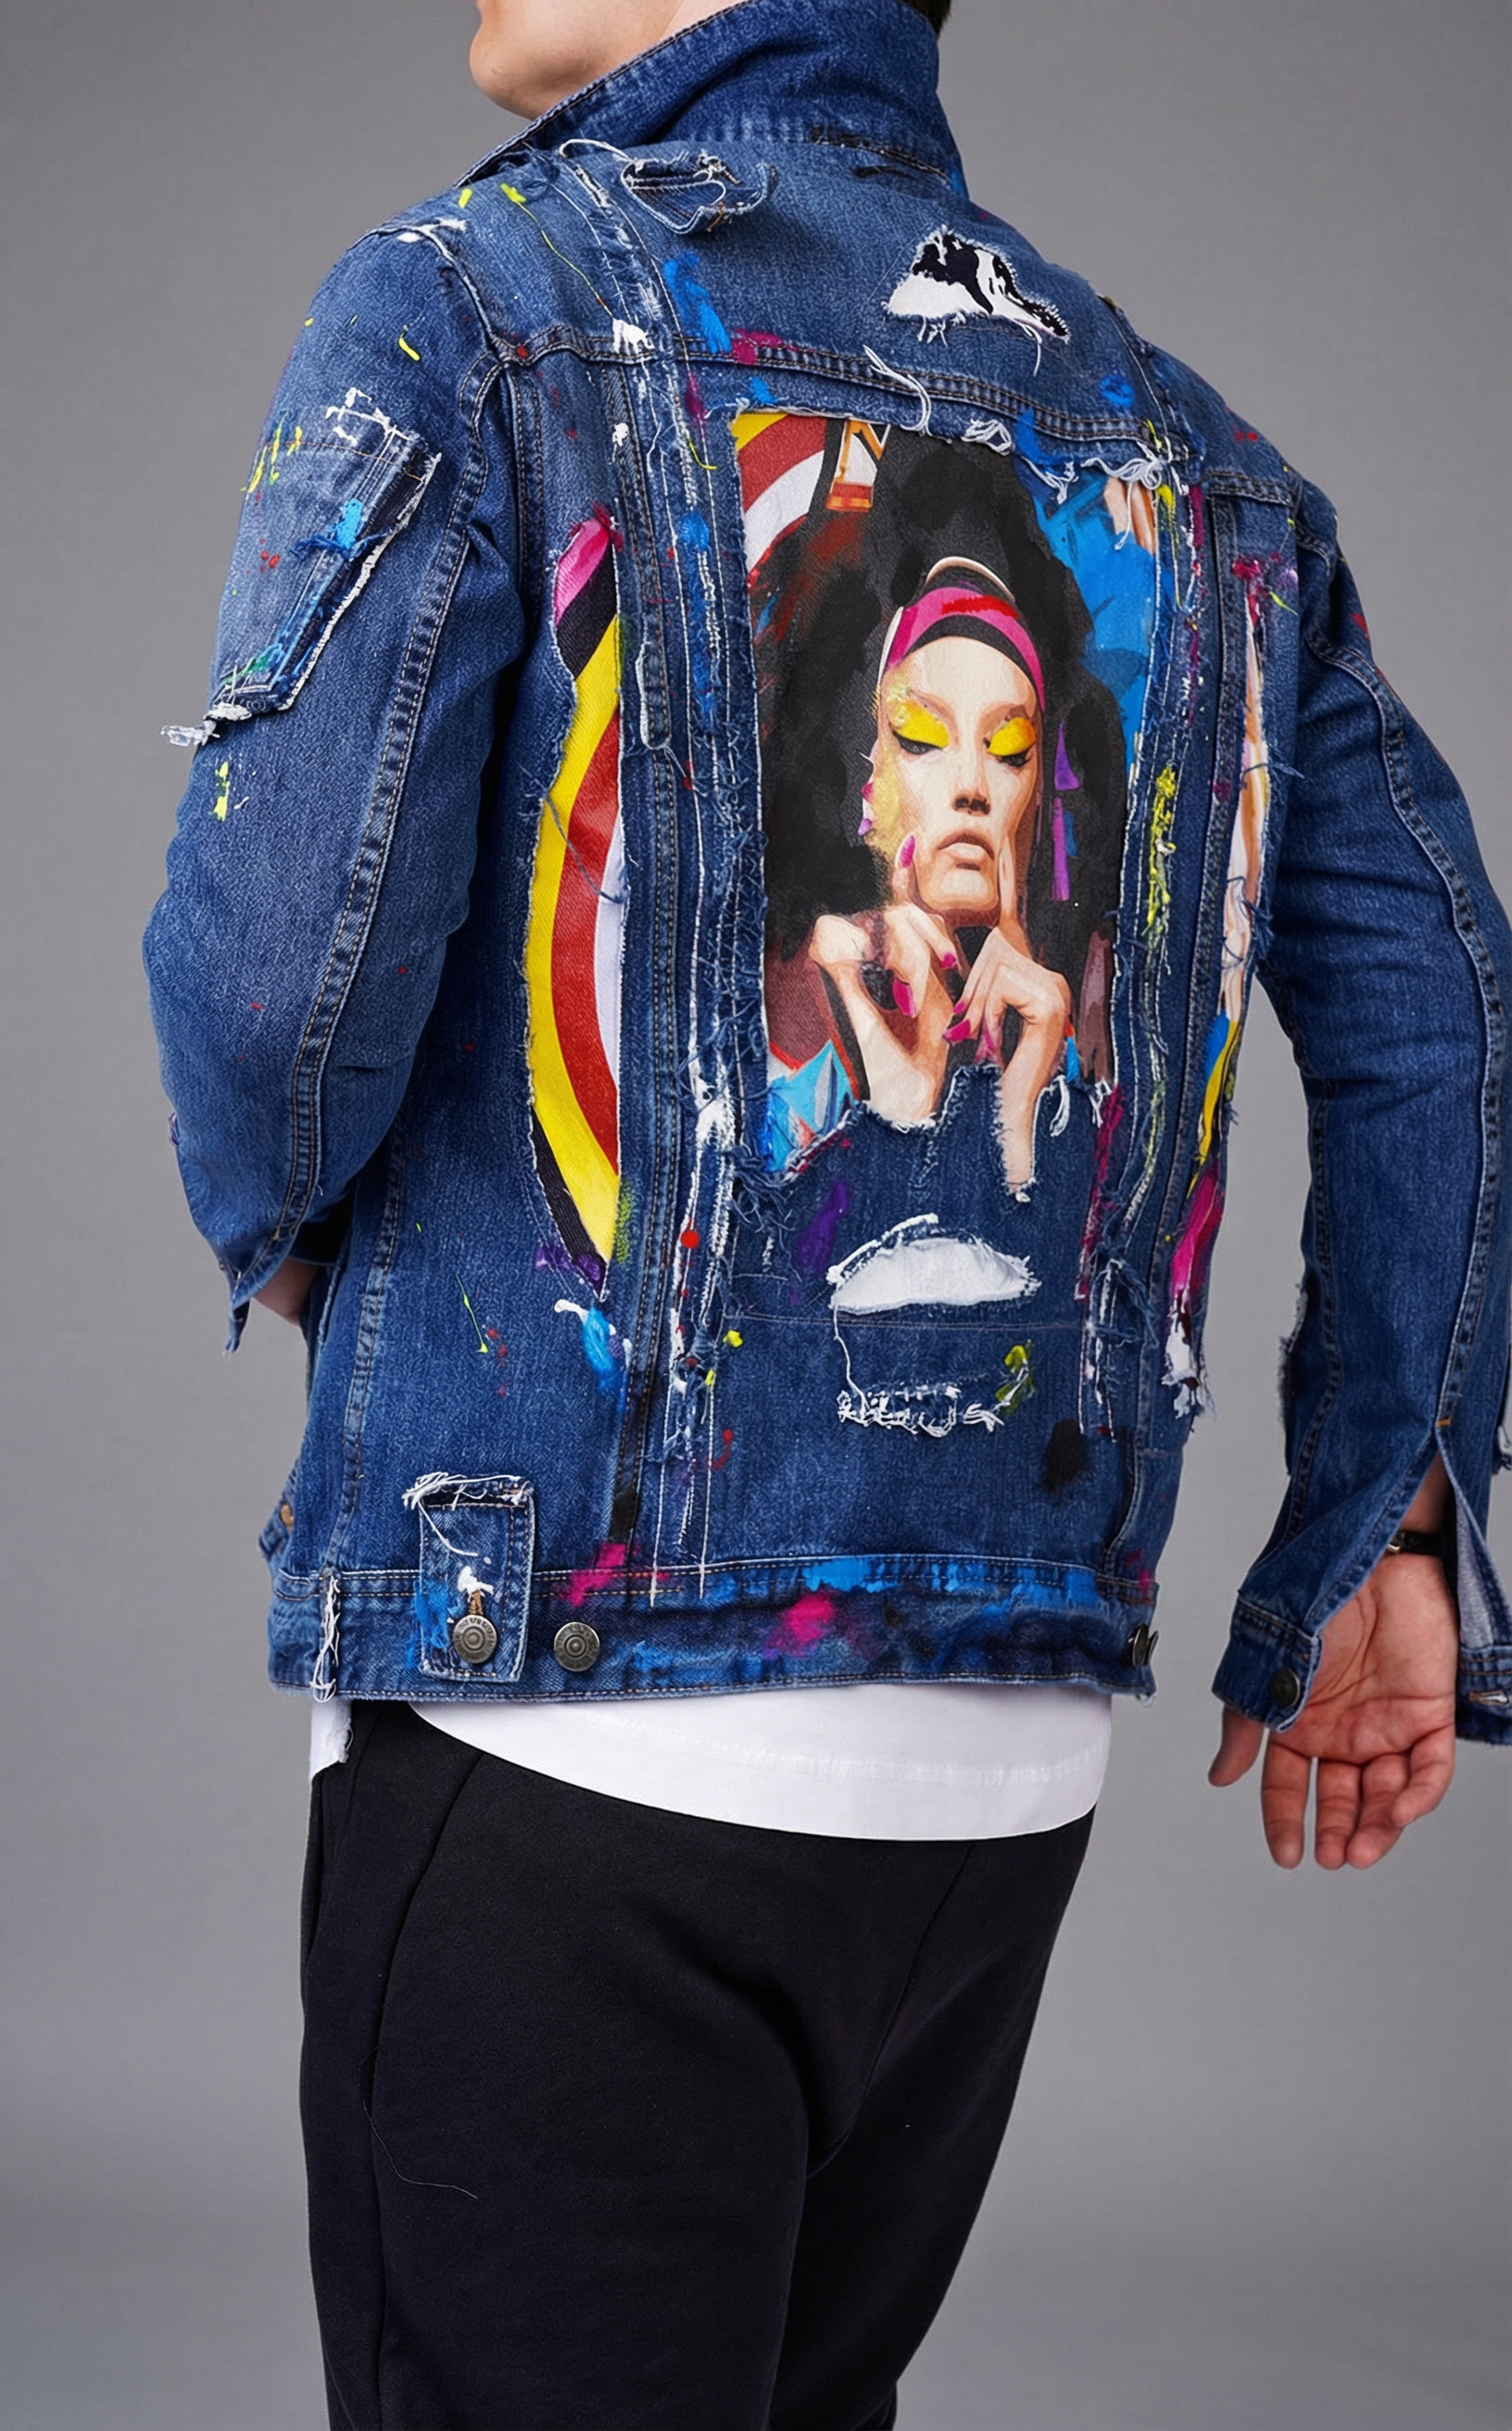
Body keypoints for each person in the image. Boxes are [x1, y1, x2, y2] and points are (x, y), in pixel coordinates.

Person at [142, 0, 1512, 2423]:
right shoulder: (1202, 462)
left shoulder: (475, 311)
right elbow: (1445, 1005)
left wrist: (294, 1234)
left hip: (575, 1730)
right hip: (996, 1792)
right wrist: (1383, 1528)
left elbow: (277, 980)